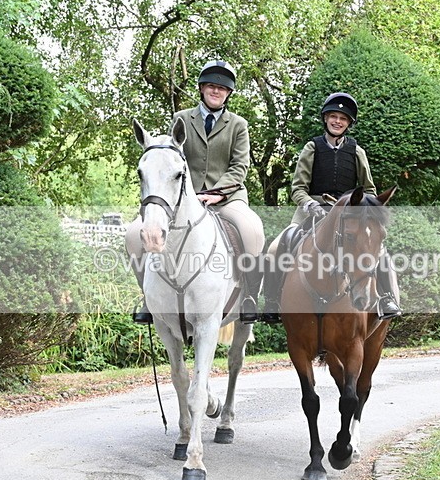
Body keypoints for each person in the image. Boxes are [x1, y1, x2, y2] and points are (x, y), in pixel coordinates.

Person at [126, 60, 265, 324]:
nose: (216, 91)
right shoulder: (181, 119)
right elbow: (170, 160)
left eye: (222, 88)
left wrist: (218, 193)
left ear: (228, 94)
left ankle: (248, 296)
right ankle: (148, 296)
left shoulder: (238, 125)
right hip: (184, 199)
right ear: (201, 89)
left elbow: (240, 165)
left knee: (252, 230)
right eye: (212, 86)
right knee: (134, 235)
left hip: (226, 198)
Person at [260, 92, 401, 322]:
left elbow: (369, 190)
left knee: (379, 250)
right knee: (277, 246)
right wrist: (310, 204)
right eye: (333, 116)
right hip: (313, 211)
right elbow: (297, 188)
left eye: (343, 118)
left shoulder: (357, 152)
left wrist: (364, 210)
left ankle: (386, 297)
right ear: (325, 119)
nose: (337, 121)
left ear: (348, 124)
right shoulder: (311, 148)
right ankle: (273, 301)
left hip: (350, 215)